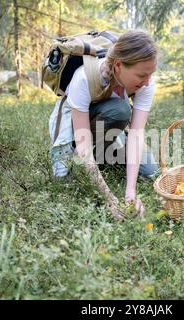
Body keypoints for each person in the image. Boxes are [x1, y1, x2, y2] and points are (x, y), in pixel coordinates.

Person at [48, 30, 159, 219]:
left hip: (103, 125)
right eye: (142, 75)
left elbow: (136, 135)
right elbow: (83, 145)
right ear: (118, 65)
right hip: (75, 127)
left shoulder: (145, 84)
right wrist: (110, 199)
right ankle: (81, 157)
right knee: (63, 183)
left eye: (150, 74)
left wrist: (130, 195)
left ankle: (102, 155)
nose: (147, 82)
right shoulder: (84, 77)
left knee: (150, 171)